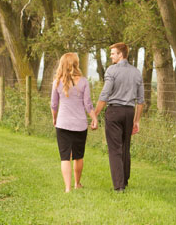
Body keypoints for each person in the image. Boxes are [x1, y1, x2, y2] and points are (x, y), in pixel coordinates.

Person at [93, 42, 145, 192]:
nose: (111, 56)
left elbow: (105, 94)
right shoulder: (136, 72)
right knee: (125, 147)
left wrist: (95, 114)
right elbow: (140, 100)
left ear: (121, 54)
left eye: (113, 53)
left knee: (115, 149)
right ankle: (125, 181)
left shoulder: (112, 70)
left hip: (114, 112)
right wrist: (137, 120)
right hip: (129, 112)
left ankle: (119, 186)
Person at [50, 52, 97, 192]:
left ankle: (67, 188)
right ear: (76, 64)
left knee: (65, 157)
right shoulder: (83, 81)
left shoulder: (57, 82)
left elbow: (53, 104)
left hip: (63, 124)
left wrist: (54, 118)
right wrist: (94, 118)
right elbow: (88, 104)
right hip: (80, 125)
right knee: (78, 156)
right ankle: (77, 183)